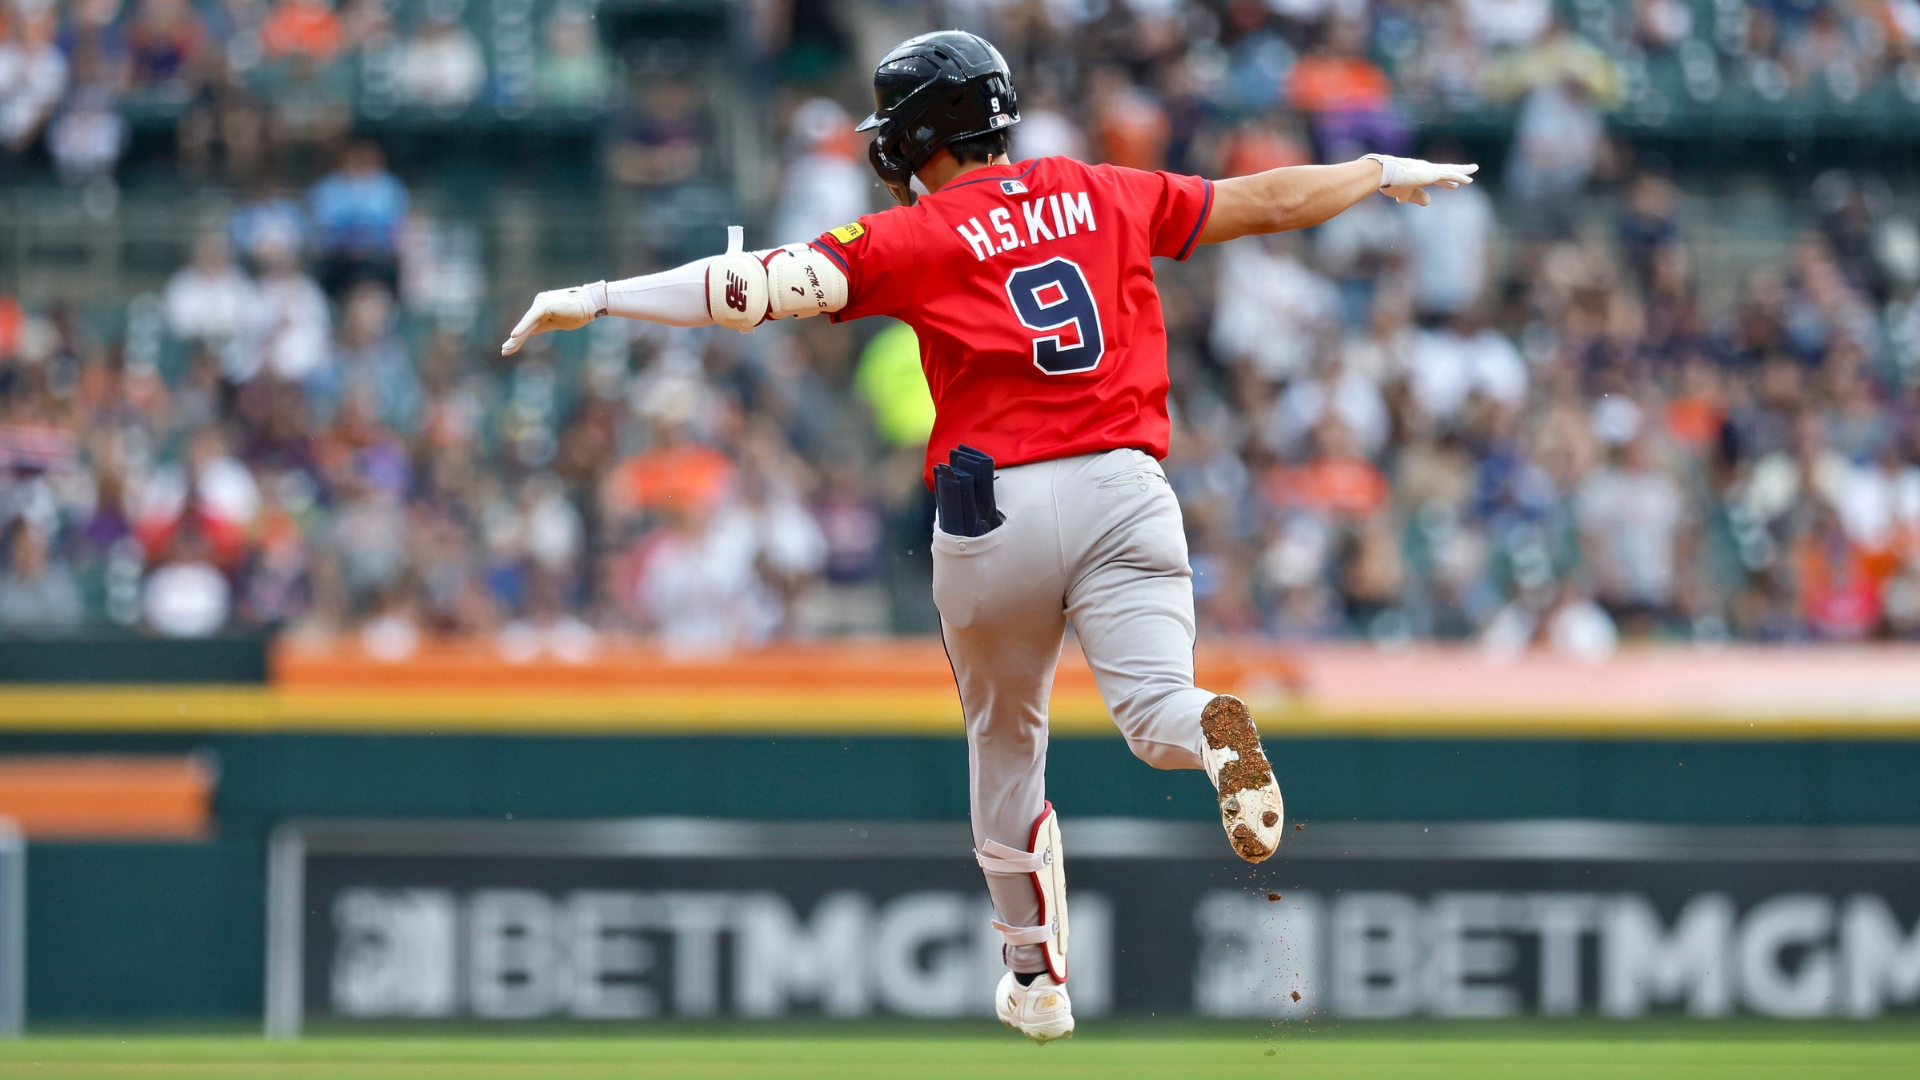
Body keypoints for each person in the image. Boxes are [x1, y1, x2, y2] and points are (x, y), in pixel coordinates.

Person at [500, 30, 1475, 1041]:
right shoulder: (1105, 189)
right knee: (1152, 709)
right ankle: (1208, 734)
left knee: (1006, 742)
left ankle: (1037, 977)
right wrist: (1376, 170)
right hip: (1126, 488)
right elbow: (1265, 201)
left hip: (996, 506)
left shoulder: (917, 234)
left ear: (921, 128)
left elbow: (752, 289)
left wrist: (603, 297)